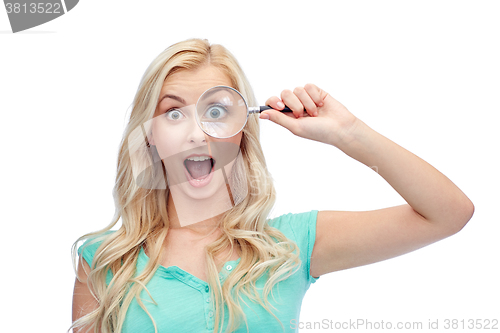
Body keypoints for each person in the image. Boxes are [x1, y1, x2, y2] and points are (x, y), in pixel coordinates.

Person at [70, 38, 474, 333]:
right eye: (174, 113)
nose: (196, 133)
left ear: (242, 130)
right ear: (150, 135)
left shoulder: (290, 245)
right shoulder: (105, 263)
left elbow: (448, 214)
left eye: (216, 111)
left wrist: (348, 133)